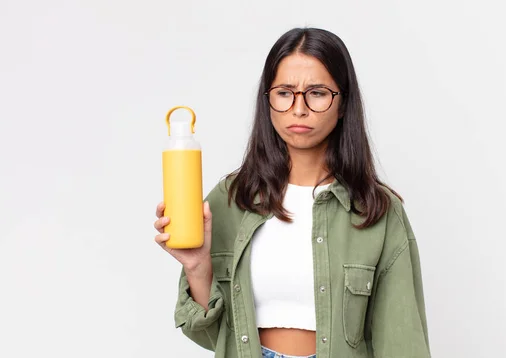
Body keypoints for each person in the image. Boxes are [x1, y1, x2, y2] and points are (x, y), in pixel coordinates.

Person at [154, 27, 431, 358]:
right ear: (268, 100)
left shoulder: (377, 211)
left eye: (317, 93)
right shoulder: (231, 199)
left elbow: (402, 343)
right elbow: (213, 336)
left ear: (342, 103)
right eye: (285, 93)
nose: (299, 109)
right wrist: (197, 266)